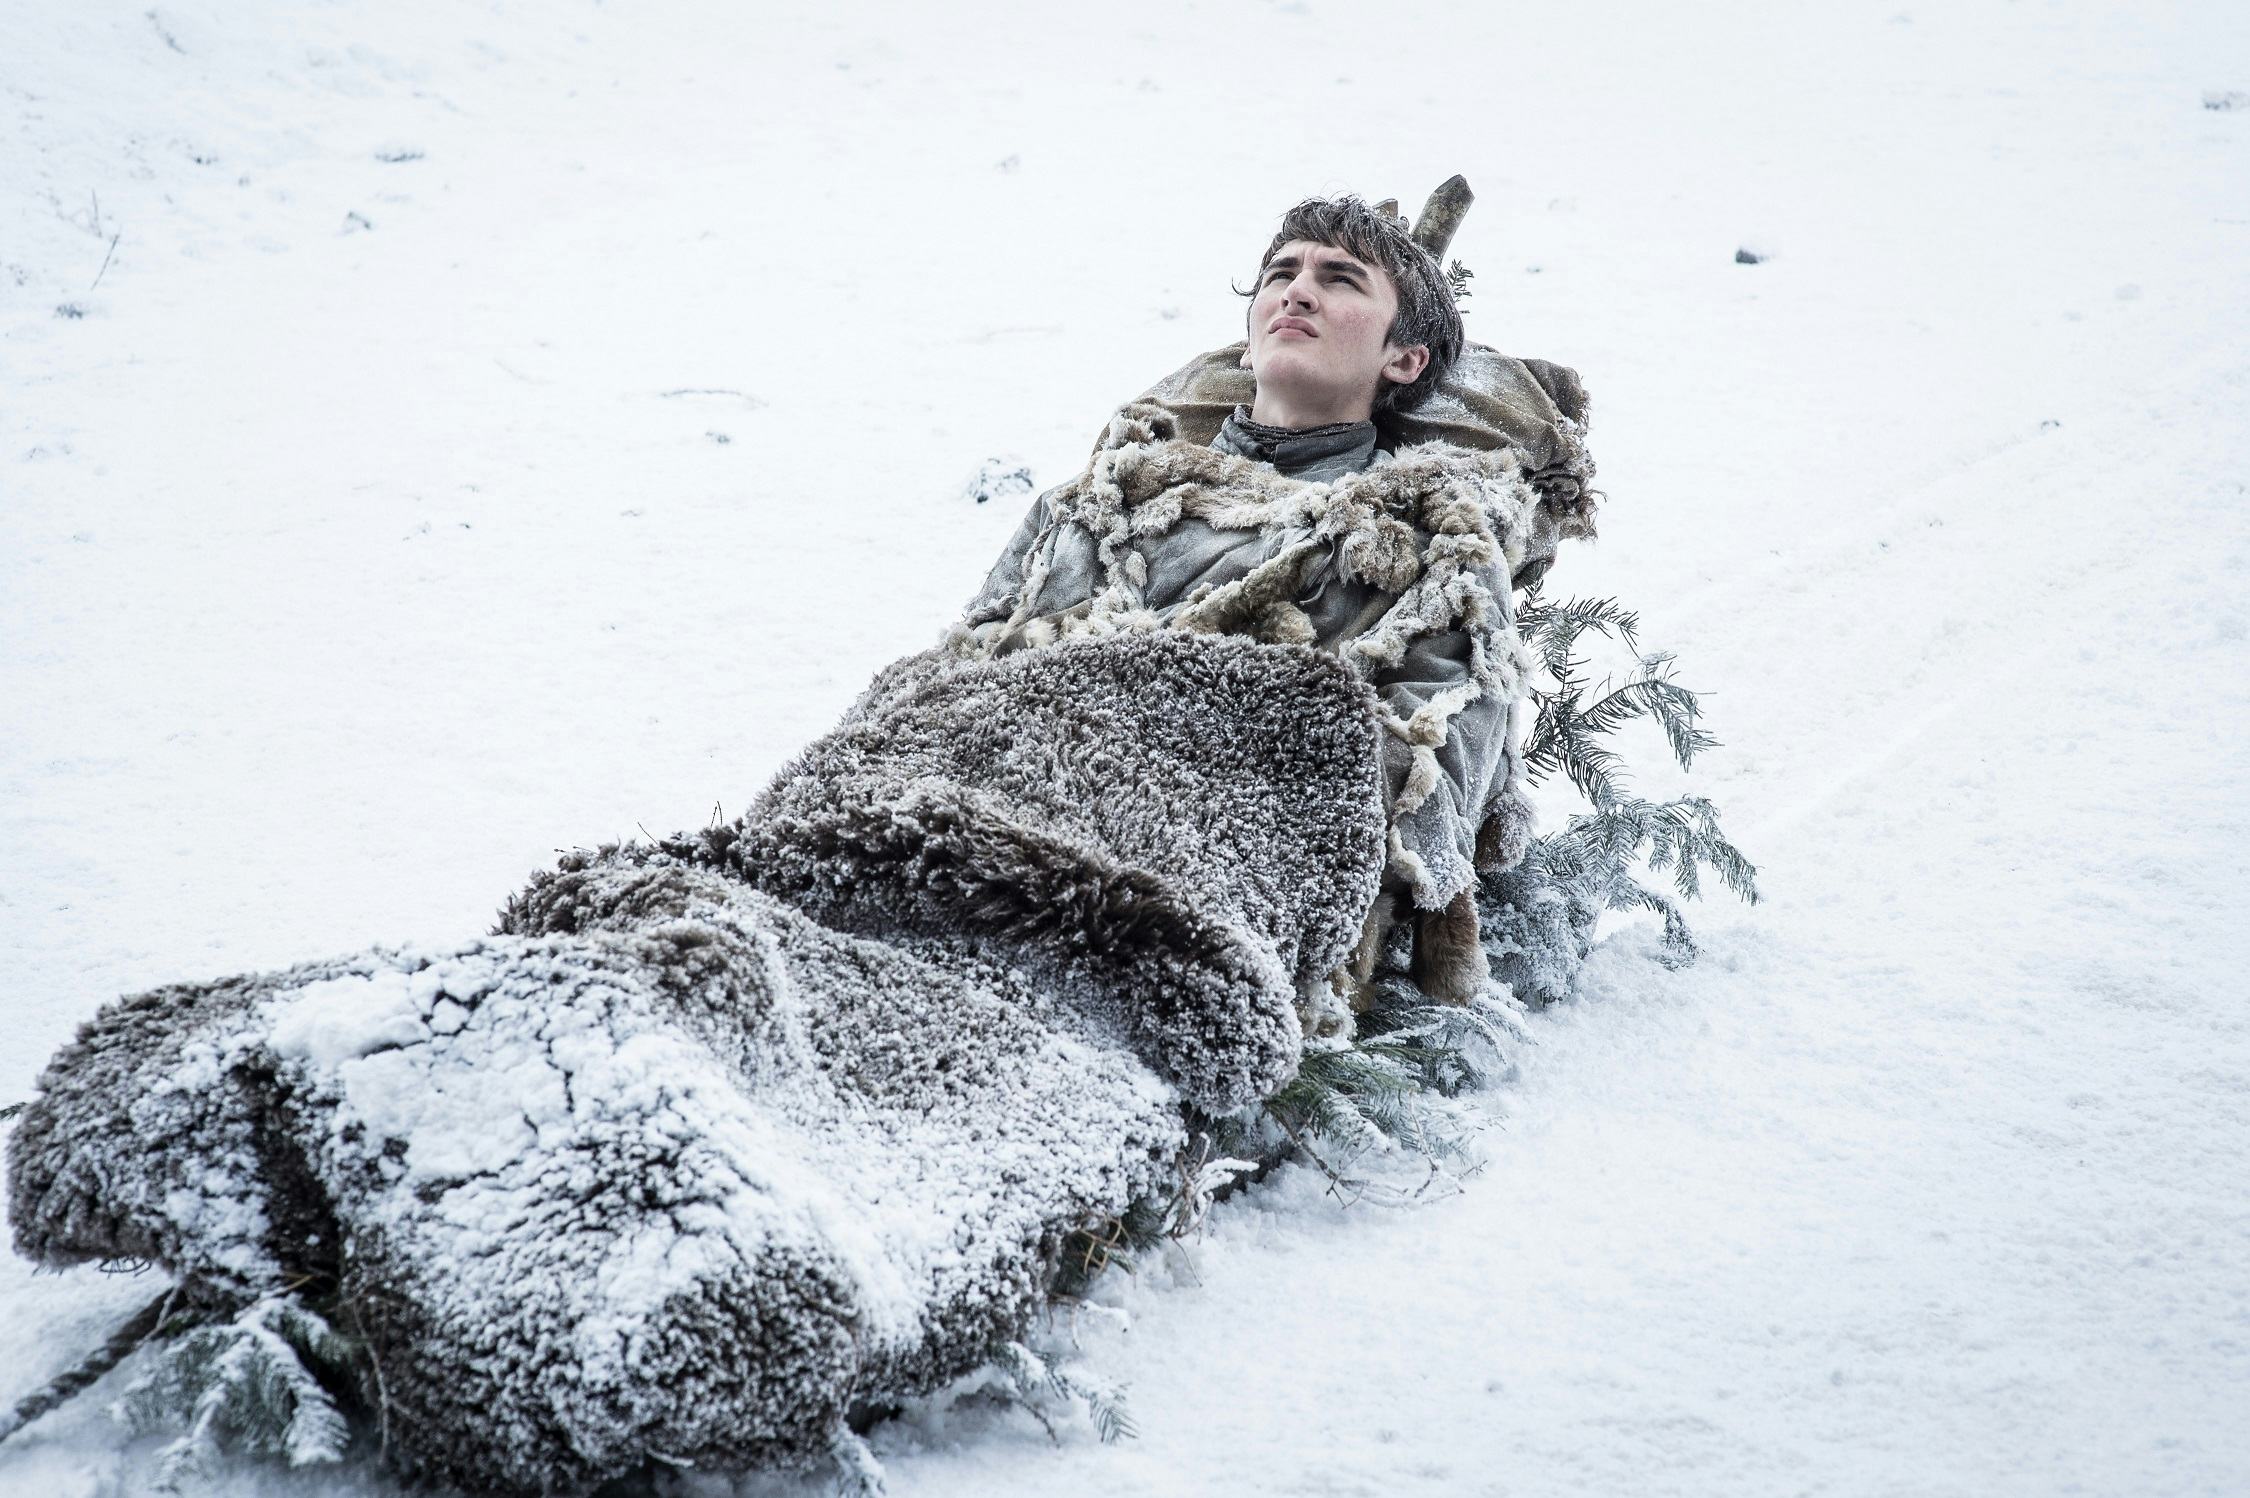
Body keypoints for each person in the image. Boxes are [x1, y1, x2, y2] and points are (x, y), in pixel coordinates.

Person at [954, 194, 1531, 1015]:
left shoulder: (1434, 544)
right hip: (976, 835)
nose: (1297, 291)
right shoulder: (1094, 504)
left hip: (1190, 907)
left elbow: (1433, 782)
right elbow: (957, 679)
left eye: (1341, 279)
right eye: (1280, 274)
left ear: (1405, 359)